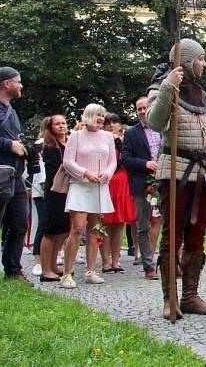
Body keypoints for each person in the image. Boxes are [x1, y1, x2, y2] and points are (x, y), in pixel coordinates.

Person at [147, 39, 206, 319]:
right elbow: (156, 123)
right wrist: (169, 86)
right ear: (186, 61)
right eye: (200, 59)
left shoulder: (202, 95)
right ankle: (169, 298)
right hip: (176, 172)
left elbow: (203, 133)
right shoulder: (161, 88)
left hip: (202, 173)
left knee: (197, 235)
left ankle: (190, 296)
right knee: (173, 234)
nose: (204, 64)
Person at [61, 103, 117, 289]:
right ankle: (67, 274)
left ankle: (90, 270)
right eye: (97, 115)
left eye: (102, 115)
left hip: (100, 185)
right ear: (88, 115)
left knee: (96, 229)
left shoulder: (108, 137)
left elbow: (112, 161)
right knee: (77, 228)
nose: (100, 118)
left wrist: (106, 174)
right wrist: (85, 173)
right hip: (80, 185)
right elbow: (68, 161)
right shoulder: (76, 136)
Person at [0, 66, 30, 284]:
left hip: (14, 177)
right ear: (6, 84)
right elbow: (9, 143)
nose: (21, 85)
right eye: (18, 81)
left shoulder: (12, 112)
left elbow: (17, 140)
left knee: (18, 224)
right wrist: (9, 144)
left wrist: (26, 147)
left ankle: (13, 271)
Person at [121, 96, 162, 279]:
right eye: (139, 109)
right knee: (143, 225)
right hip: (141, 183)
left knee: (169, 222)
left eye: (145, 108)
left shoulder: (163, 128)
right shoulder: (131, 133)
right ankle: (148, 265)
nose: (143, 112)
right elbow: (125, 159)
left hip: (164, 181)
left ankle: (171, 263)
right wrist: (145, 164)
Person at [101, 113, 135, 273]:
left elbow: (127, 160)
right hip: (107, 181)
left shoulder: (124, 140)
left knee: (119, 223)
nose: (112, 125)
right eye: (108, 123)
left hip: (122, 182)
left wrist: (118, 142)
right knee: (106, 223)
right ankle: (105, 261)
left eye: (115, 122)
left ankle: (116, 260)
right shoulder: (100, 140)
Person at [37, 114, 70, 282]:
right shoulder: (49, 147)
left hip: (68, 191)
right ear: (50, 128)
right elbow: (57, 169)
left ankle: (53, 264)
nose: (61, 126)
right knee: (51, 230)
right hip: (55, 192)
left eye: (63, 123)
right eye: (57, 124)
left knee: (62, 230)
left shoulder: (69, 142)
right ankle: (45, 269)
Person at [29, 118, 49, 277]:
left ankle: (50, 259)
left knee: (55, 226)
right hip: (41, 190)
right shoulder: (40, 144)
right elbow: (39, 170)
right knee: (43, 224)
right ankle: (37, 260)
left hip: (55, 191)